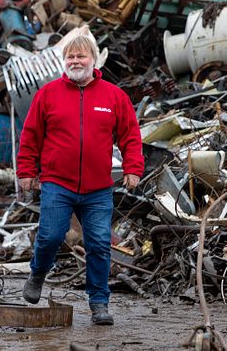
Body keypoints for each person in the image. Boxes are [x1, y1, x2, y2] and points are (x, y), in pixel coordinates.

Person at [16, 35, 144, 325]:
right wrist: (25, 170)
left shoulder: (114, 96)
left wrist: (133, 167)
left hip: (98, 187)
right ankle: (37, 273)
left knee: (99, 243)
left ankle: (99, 302)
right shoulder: (48, 94)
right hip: (57, 183)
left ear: (94, 60)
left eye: (81, 56)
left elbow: (131, 136)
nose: (75, 61)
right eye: (70, 57)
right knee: (50, 236)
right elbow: (30, 136)